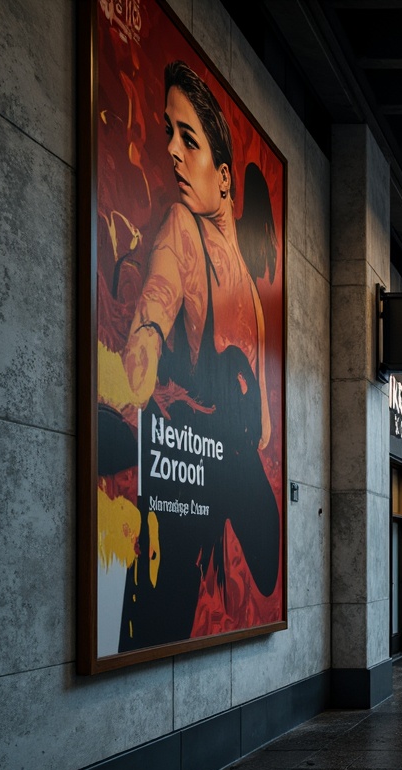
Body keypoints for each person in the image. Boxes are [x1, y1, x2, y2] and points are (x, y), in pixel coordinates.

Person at [116, 60, 280, 650]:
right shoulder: (183, 227)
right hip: (188, 501)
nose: (173, 152)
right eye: (168, 133)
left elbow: (260, 431)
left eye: (189, 138)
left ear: (227, 177)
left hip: (195, 493)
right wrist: (147, 334)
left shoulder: (256, 306)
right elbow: (162, 283)